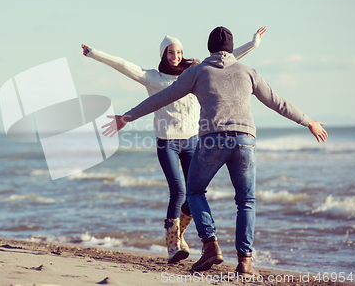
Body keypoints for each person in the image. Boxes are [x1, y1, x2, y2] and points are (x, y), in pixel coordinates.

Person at [101, 26, 327, 275]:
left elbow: (162, 98)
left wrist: (127, 116)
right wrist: (309, 121)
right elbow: (277, 101)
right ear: (231, 49)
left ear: (209, 48)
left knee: (195, 191)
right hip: (244, 141)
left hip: (211, 141)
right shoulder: (247, 71)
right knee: (246, 202)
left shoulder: (197, 72)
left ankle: (210, 246)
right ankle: (245, 262)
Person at [82, 27, 266, 264]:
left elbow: (228, 57)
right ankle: (172, 247)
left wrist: (253, 44)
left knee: (194, 194)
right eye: (170, 52)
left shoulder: (195, 71)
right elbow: (124, 65)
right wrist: (94, 53)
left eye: (178, 51)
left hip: (192, 140)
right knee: (178, 190)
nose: (176, 56)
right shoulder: (153, 78)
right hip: (167, 141)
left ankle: (177, 234)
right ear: (163, 54)